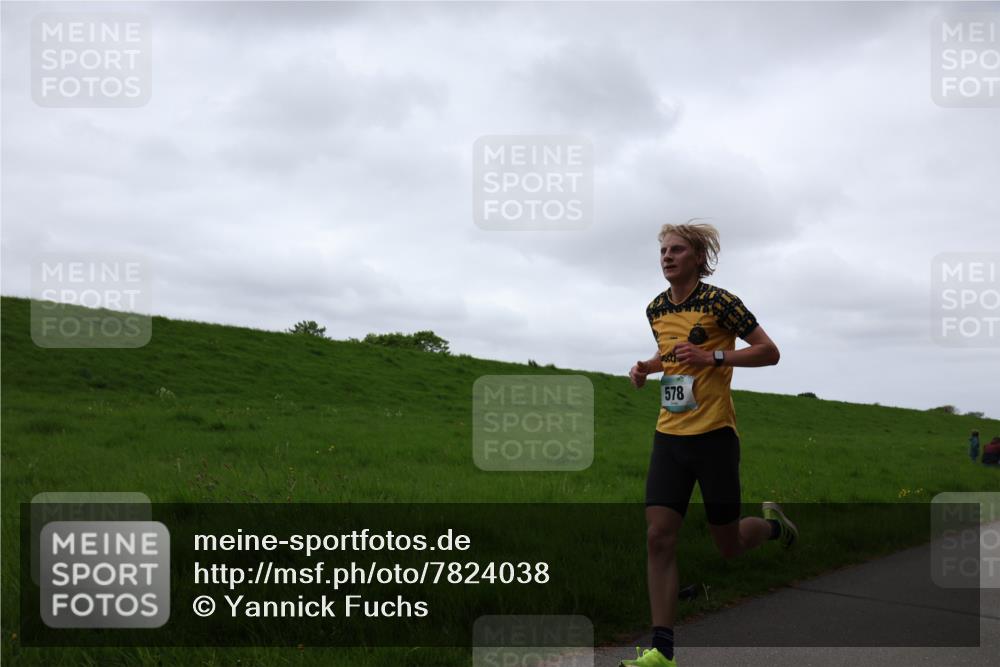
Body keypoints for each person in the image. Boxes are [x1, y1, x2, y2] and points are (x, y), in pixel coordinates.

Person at [620, 221, 797, 667]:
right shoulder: (655, 308)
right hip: (669, 435)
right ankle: (661, 652)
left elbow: (769, 351)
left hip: (715, 436)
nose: (667, 256)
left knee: (729, 545)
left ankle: (775, 527)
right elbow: (673, 355)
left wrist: (715, 355)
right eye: (663, 250)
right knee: (659, 536)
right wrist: (647, 365)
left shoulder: (722, 302)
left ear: (699, 257)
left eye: (677, 250)